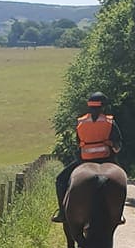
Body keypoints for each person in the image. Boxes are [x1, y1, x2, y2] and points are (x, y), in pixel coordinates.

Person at [53, 92, 123, 221]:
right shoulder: (109, 122)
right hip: (106, 159)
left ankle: (62, 213)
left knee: (60, 180)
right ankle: (118, 214)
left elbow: (79, 143)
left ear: (89, 107)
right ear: (103, 107)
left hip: (84, 160)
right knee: (121, 181)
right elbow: (118, 147)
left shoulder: (81, 122)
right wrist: (110, 144)